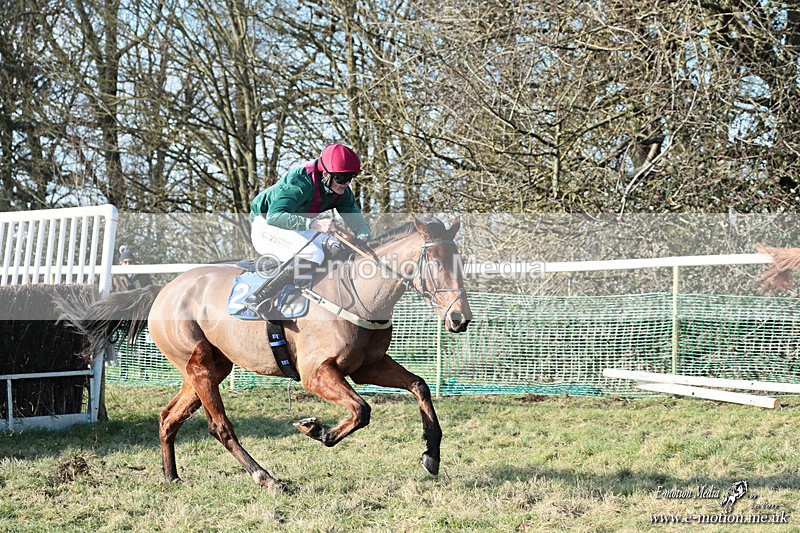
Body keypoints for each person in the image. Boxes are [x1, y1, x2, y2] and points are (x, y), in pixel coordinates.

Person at [245, 143, 372, 319]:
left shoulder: (340, 189)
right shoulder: (299, 180)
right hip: (267, 224)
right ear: (326, 174)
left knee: (337, 247)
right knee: (313, 254)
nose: (347, 183)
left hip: (295, 226)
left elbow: (356, 219)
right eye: (343, 178)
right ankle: (258, 298)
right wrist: (315, 224)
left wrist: (364, 237)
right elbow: (275, 217)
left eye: (351, 177)